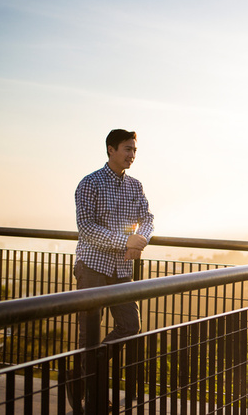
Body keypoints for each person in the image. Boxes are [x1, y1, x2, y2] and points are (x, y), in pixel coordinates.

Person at [74, 129, 154, 348]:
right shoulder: (90, 183)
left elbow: (147, 219)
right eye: (128, 149)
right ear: (111, 149)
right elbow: (86, 228)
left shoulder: (135, 186)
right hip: (92, 266)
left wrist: (140, 241)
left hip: (122, 268)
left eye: (135, 150)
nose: (132, 155)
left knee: (130, 325)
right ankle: (87, 382)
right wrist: (125, 241)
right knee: (89, 333)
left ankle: (85, 373)